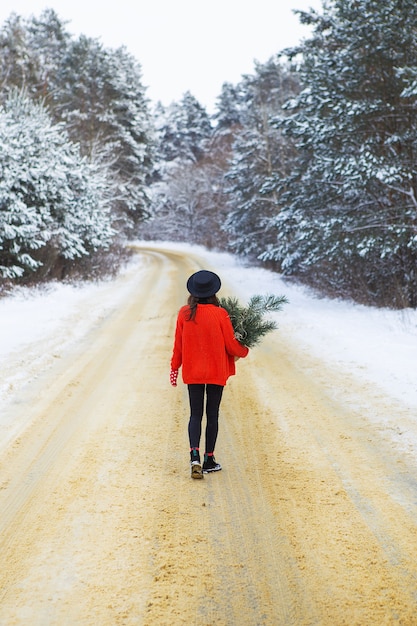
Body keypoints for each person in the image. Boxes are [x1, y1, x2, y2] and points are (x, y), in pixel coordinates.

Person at [170, 269, 249, 479]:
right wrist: (244, 350)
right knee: (212, 414)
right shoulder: (220, 314)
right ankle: (209, 459)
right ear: (214, 292)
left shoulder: (184, 313)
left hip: (193, 372)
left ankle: (194, 456)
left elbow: (178, 344)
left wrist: (174, 367)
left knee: (195, 414)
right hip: (215, 371)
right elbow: (231, 345)